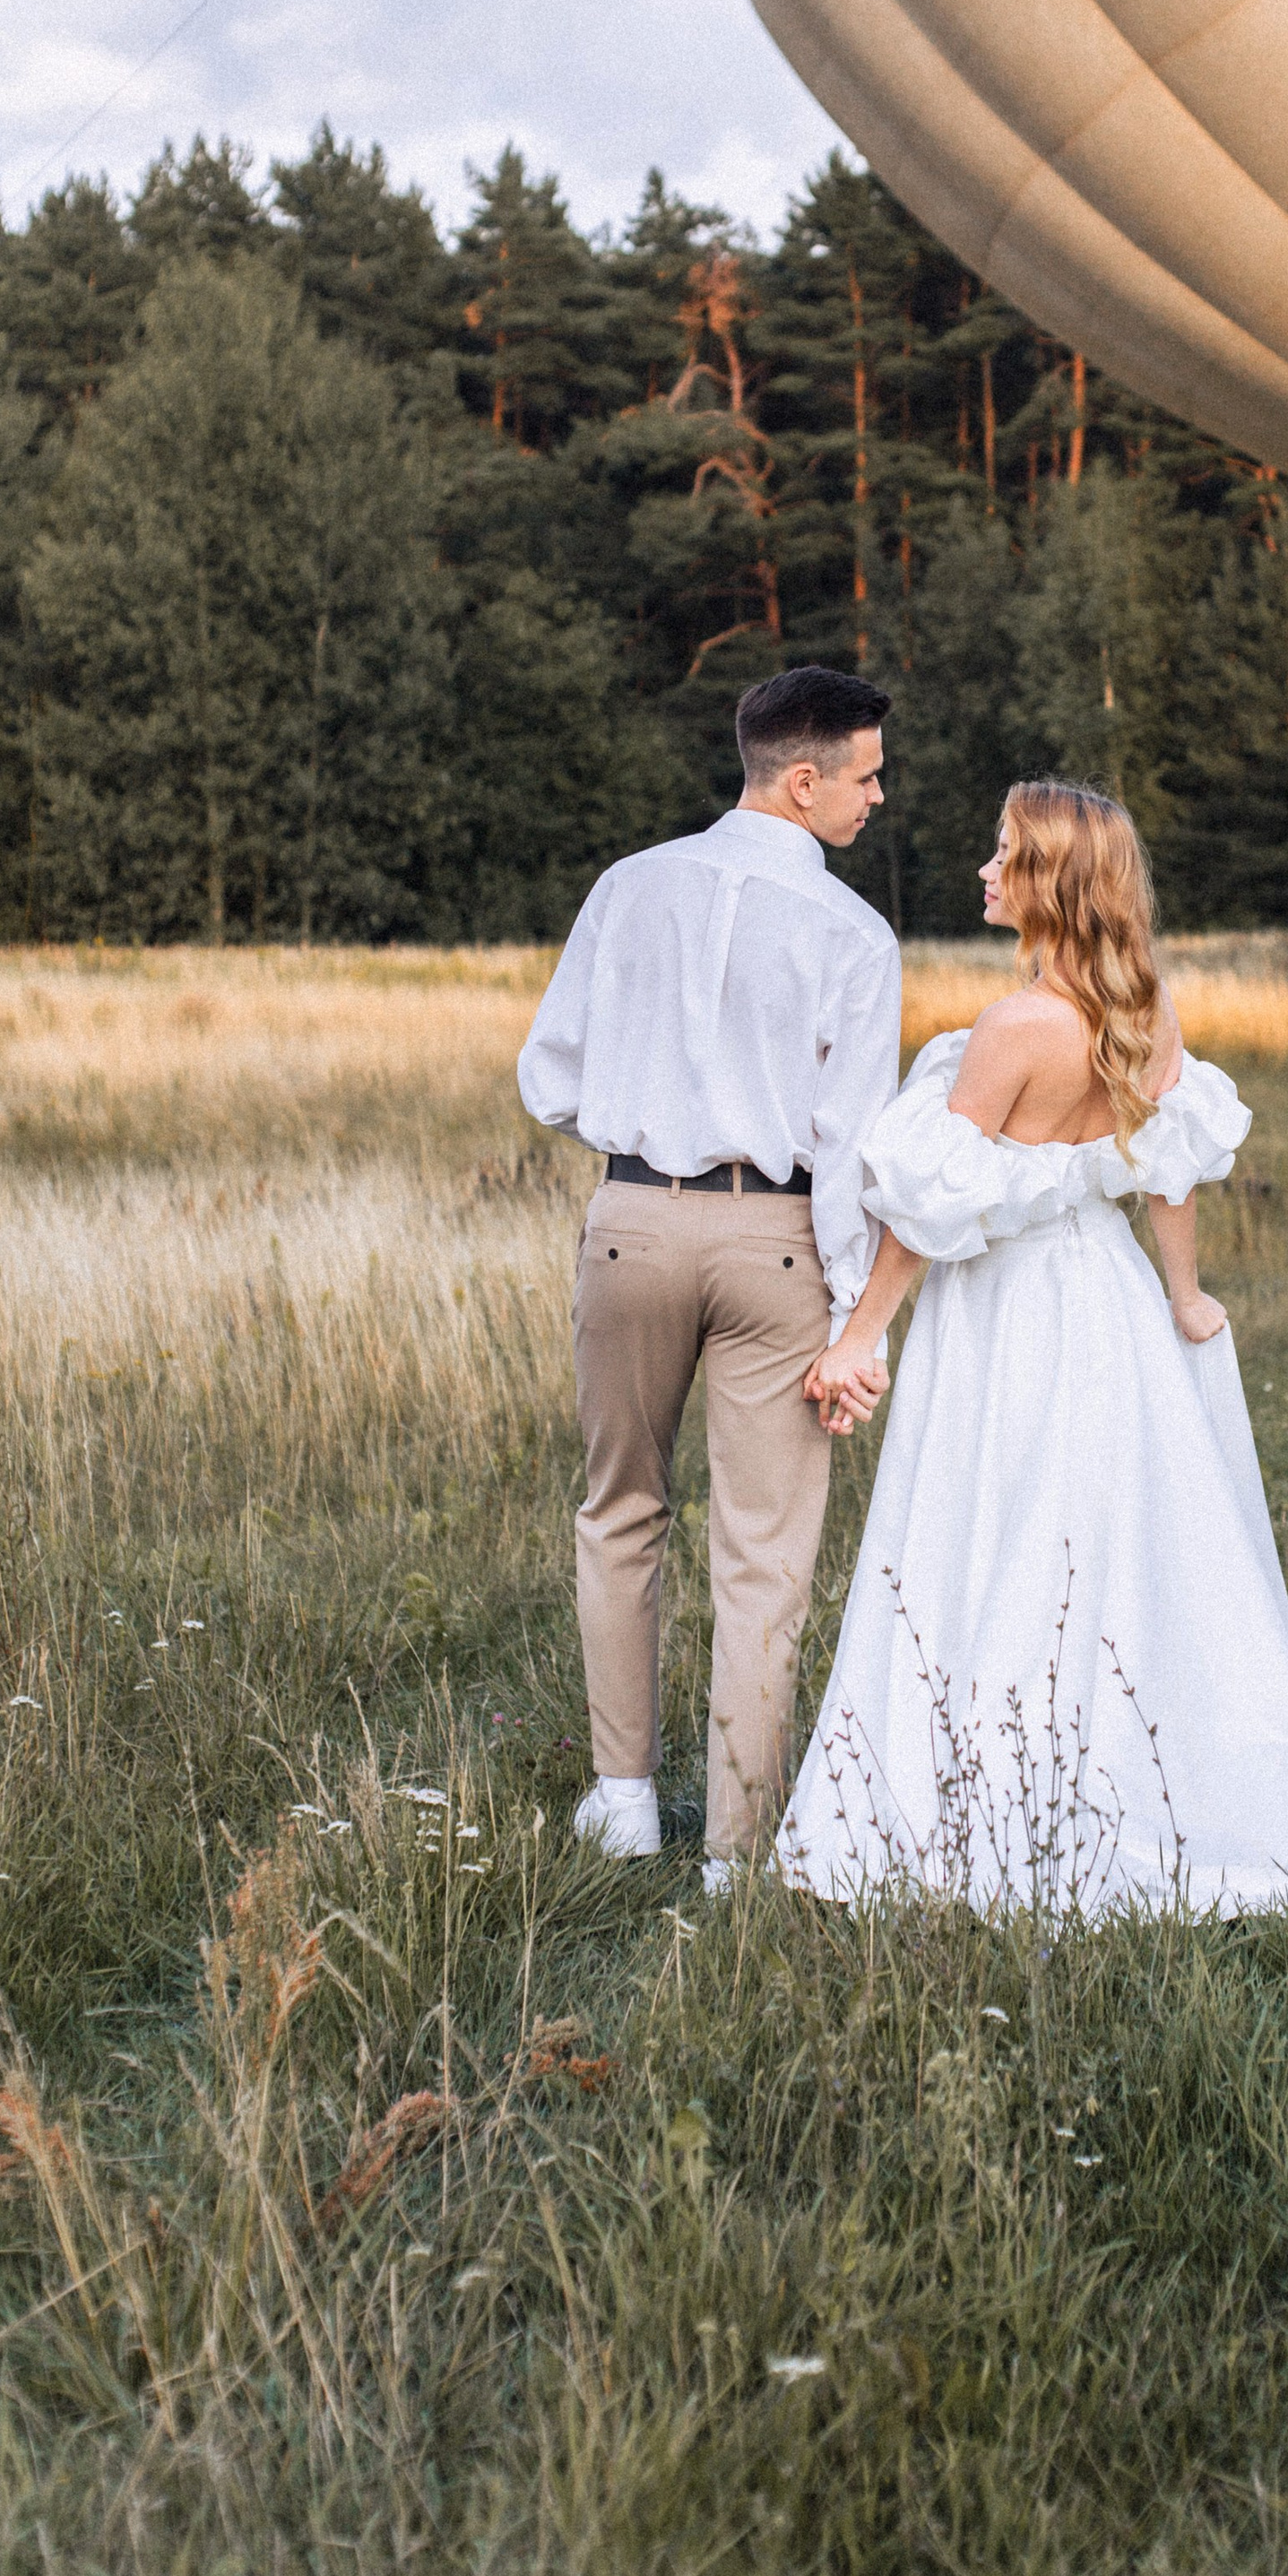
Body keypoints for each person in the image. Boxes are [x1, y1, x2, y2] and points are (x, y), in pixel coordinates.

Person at [781, 780, 1288, 1925]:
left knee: (1000, 1522)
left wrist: (858, 1337)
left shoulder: (1019, 1028)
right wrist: (1181, 1298)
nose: (983, 868)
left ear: (1051, 882)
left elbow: (934, 1208)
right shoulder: (1143, 1008)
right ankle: (1119, 1750)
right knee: (1100, 1530)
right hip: (1107, 1297)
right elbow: (1167, 1170)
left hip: (1009, 1304)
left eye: (1003, 853)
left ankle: (990, 1789)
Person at [516, 664, 902, 1884]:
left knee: (618, 1511)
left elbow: (552, 1074)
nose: (879, 797)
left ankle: (622, 1799)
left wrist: (643, 1138)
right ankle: (738, 1852)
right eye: (868, 774)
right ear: (805, 779)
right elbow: (850, 1145)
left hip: (629, 1219)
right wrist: (854, 1320)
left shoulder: (628, 888)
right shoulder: (854, 933)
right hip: (776, 1238)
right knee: (763, 1555)